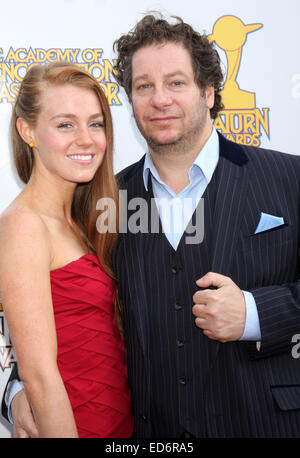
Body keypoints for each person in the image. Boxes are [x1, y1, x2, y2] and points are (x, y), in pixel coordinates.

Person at [3, 13, 300, 438]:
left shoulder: (288, 178)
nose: (160, 99)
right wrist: (17, 389)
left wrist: (255, 313)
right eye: (144, 86)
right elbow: (74, 321)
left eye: (176, 82)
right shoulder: (103, 203)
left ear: (209, 92)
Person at [0, 62, 133, 438]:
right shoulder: (23, 225)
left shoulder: (84, 222)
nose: (86, 139)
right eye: (65, 124)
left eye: (95, 123)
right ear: (28, 131)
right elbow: (39, 377)